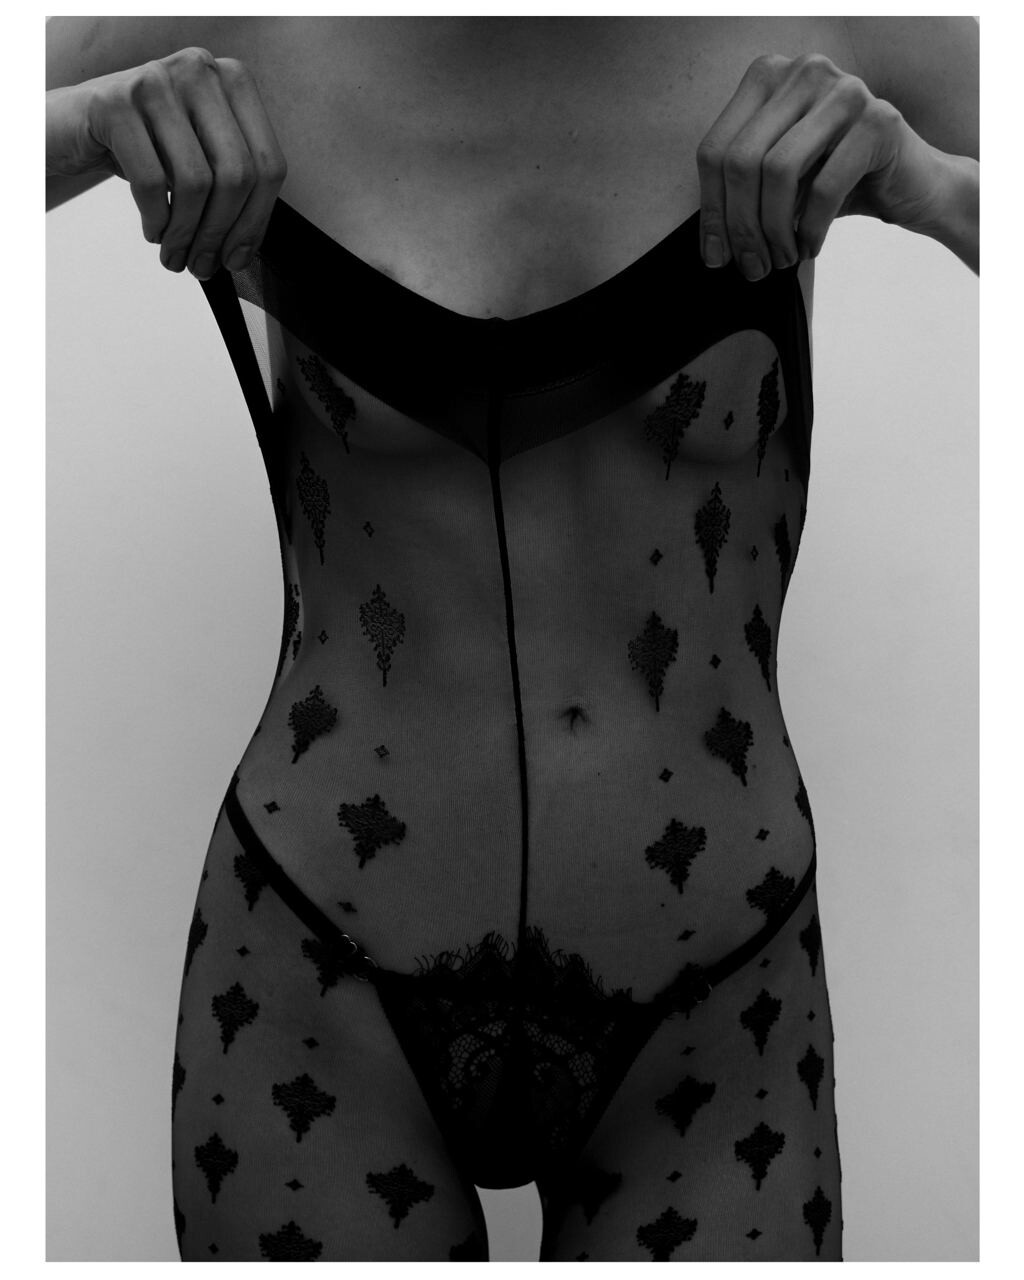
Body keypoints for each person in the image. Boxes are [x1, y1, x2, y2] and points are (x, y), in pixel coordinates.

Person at [46, 14, 978, 1262]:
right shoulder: (237, 30)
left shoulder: (851, 32)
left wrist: (936, 191)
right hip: (316, 966)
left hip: (716, 989)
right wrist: (75, 125)